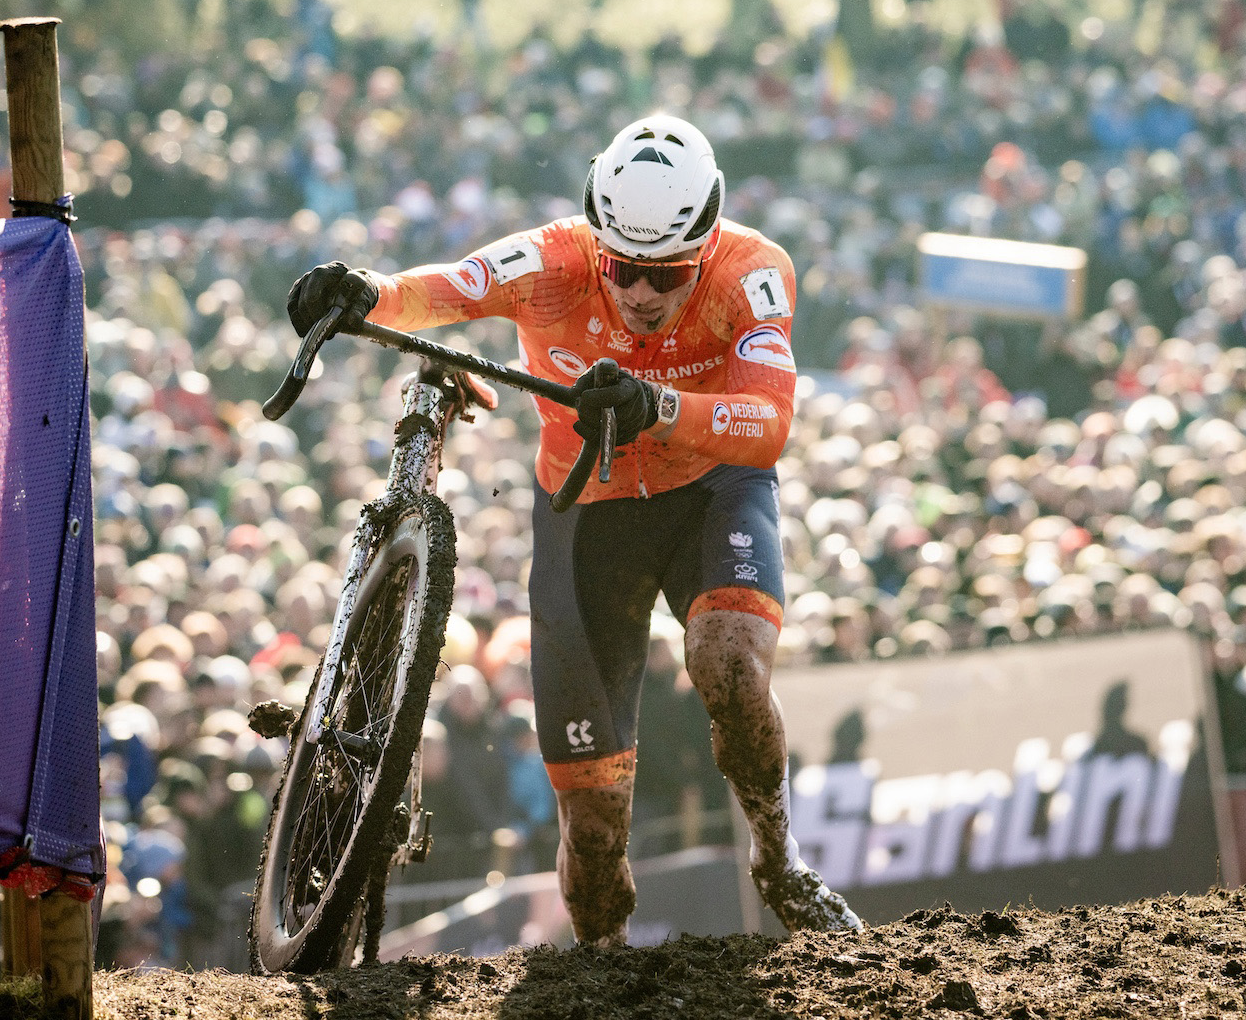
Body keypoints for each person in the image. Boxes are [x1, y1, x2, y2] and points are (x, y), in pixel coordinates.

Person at [286, 113, 862, 944]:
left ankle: (778, 855)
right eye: (623, 268)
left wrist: (657, 406)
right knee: (593, 834)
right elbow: (445, 288)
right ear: (598, 243)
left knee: (729, 664)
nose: (639, 293)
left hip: (710, 491)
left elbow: (769, 424)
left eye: (665, 277)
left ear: (704, 246)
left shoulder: (754, 272)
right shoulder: (553, 261)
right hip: (586, 517)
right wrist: (364, 291)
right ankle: (601, 968)